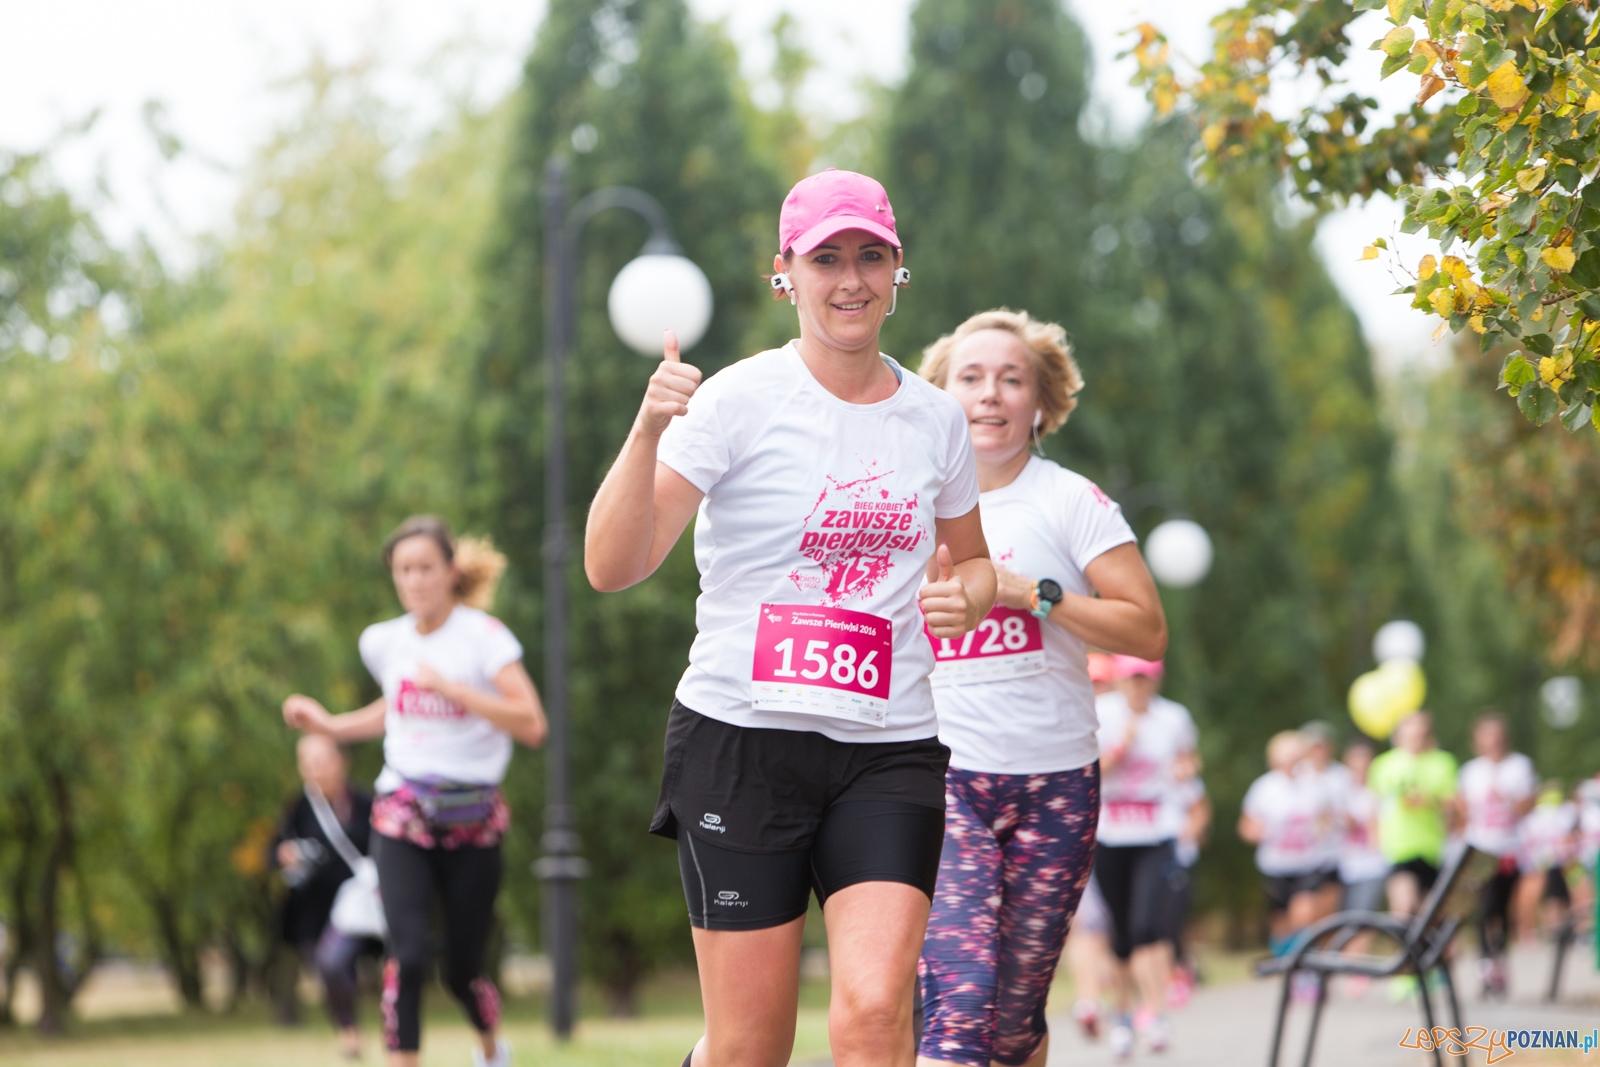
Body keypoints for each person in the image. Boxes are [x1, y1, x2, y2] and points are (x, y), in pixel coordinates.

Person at [583, 168, 996, 1067]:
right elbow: (614, 566)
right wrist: (646, 429)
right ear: (786, 274)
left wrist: (966, 596)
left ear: (897, 270)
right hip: (741, 742)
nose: (851, 279)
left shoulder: (937, 421)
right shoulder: (736, 400)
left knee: (876, 1012)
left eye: (870, 257)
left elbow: (973, 565)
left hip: (888, 746)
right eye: (826, 259)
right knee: (750, 1048)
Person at [913, 310, 1168, 1067]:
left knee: (1016, 1021)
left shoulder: (1070, 500)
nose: (989, 394)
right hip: (944, 777)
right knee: (959, 1008)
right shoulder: (907, 501)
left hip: (1055, 784)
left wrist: (1033, 595)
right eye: (970, 377)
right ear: (940, 396)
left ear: (1041, 401)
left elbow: (1147, 631)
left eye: (1011, 379)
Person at [282, 517, 547, 1067]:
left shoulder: (484, 638)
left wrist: (453, 689)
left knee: (462, 970)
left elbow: (531, 724)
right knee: (406, 953)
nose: (415, 580)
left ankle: (491, 1049)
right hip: (402, 812)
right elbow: (394, 708)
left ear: (450, 571)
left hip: (473, 820)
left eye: (425, 567)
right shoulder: (383, 641)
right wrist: (329, 725)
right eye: (404, 570)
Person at [1093, 656, 1197, 1059]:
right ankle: (1122, 1016)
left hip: (1157, 832)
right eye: (1132, 679)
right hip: (1111, 833)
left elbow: (1189, 758)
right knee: (1120, 933)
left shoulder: (1174, 717)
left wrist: (1186, 770)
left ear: (1156, 680)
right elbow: (1090, 771)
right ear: (1120, 681)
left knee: (1147, 925)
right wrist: (1122, 746)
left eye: (1145, 679)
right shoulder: (1101, 713)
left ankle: (1156, 1014)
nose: (1138, 687)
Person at [270, 734, 376, 1060]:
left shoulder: (366, 804)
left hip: (362, 905)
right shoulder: (299, 807)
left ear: (342, 761)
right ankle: (348, 1030)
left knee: (338, 962)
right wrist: (286, 854)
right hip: (315, 909)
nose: (316, 769)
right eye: (308, 763)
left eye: (322, 760)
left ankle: (380, 1026)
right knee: (330, 967)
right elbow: (273, 850)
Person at [1239, 732, 1341, 962]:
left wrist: (1322, 828)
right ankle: (1287, 960)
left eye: (1295, 756)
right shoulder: (1264, 788)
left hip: (1308, 863)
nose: (1291, 762)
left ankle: (1303, 962)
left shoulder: (1315, 785)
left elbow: (1328, 817)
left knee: (1303, 913)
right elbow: (1246, 827)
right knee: (1281, 923)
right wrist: (1258, 831)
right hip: (1275, 865)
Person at [1456, 712, 1537, 999]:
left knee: (1502, 909)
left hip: (1509, 848)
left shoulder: (1519, 766)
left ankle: (1499, 961)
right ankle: (1485, 965)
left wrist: (1506, 798)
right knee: (1484, 908)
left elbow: (1528, 806)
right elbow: (1462, 812)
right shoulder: (1470, 771)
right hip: (1480, 848)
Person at [1368, 711, 1459, 919]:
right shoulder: (1383, 765)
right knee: (1404, 908)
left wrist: (1432, 802)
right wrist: (1375, 843)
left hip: (1433, 847)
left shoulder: (1442, 762)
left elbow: (1453, 805)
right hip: (1398, 847)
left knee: (1431, 915)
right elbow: (1373, 808)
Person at [1335, 739, 1388, 996]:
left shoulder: (1379, 793)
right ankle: (1349, 964)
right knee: (1346, 916)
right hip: (1344, 864)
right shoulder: (1339, 792)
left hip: (1373, 864)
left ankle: (1358, 967)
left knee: (1364, 915)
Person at [1514, 781, 1578, 944]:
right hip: (1547, 862)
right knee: (1553, 897)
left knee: (1560, 896)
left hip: (1553, 861)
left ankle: (1556, 928)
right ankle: (1551, 928)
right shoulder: (1559, 814)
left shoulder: (1536, 817)